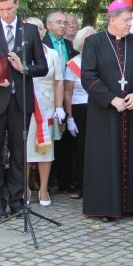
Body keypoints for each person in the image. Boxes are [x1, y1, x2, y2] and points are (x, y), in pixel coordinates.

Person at [0, 0, 48, 220]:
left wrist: (22, 68)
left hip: (20, 102)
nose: (5, 13)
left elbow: (42, 66)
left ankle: (17, 201)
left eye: (9, 8)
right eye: (0, 9)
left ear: (16, 4)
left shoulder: (30, 32)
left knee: (18, 153)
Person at [81, 0, 133, 222]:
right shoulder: (94, 42)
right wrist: (111, 99)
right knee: (106, 157)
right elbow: (88, 76)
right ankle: (105, 208)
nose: (129, 24)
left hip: (131, 110)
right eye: (126, 20)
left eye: (130, 19)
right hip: (105, 112)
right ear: (112, 20)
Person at [24, 17, 65, 207]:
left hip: (46, 106)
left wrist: (58, 107)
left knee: (45, 150)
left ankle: (43, 189)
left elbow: (59, 82)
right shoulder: (19, 53)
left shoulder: (53, 54)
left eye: (39, 28)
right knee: (22, 149)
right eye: (33, 28)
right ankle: (24, 188)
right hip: (24, 107)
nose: (37, 31)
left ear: (43, 31)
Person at [42, 11, 78, 194]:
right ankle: (47, 182)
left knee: (65, 140)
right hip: (46, 98)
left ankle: (65, 181)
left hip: (67, 96)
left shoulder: (71, 46)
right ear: (48, 25)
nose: (63, 26)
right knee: (47, 139)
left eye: (65, 22)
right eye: (59, 22)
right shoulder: (41, 45)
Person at [64, 26, 96, 199]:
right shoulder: (74, 63)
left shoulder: (102, 61)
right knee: (81, 148)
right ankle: (80, 185)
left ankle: (97, 183)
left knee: (98, 148)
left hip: (99, 107)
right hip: (80, 109)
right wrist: (69, 117)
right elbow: (67, 92)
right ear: (80, 44)